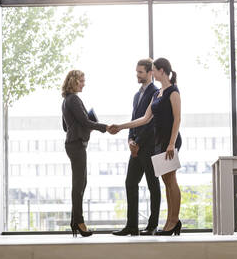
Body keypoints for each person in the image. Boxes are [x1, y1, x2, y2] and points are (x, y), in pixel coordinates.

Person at [111, 57, 182, 236]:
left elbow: (178, 119)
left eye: (154, 70)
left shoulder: (173, 91)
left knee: (171, 181)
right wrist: (120, 127)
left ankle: (173, 221)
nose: (154, 73)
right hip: (160, 143)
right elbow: (144, 119)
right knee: (166, 182)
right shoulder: (157, 94)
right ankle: (170, 222)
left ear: (161, 71)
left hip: (170, 142)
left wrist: (172, 143)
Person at [112, 59, 161, 236]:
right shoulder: (136, 95)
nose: (137, 75)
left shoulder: (156, 93)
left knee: (152, 185)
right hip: (136, 146)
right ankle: (131, 225)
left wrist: (138, 142)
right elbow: (134, 119)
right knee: (130, 183)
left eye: (140, 72)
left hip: (148, 146)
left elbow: (151, 123)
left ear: (150, 73)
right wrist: (130, 140)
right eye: (137, 72)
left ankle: (152, 225)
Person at [61, 70, 111, 237]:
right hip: (76, 145)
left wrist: (82, 124)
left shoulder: (66, 100)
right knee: (79, 184)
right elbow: (84, 121)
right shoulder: (73, 99)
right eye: (81, 80)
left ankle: (75, 220)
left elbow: (65, 126)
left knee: (80, 183)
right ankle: (79, 222)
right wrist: (105, 127)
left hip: (73, 144)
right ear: (74, 81)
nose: (84, 83)